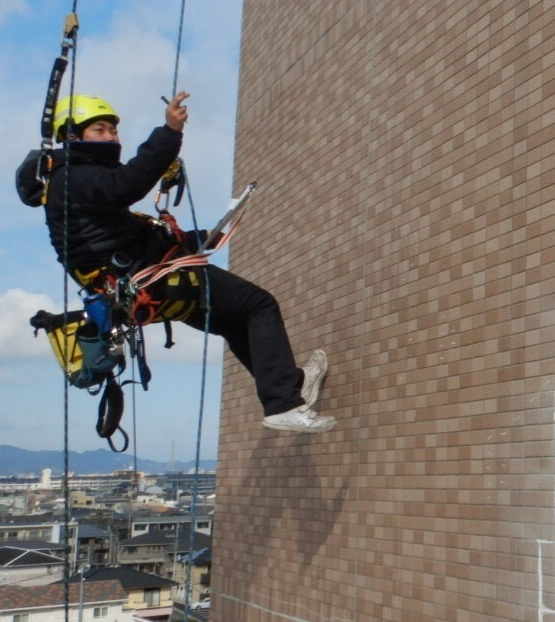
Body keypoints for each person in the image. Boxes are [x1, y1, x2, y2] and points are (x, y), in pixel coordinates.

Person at [43, 91, 336, 433]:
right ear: (72, 136)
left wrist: (195, 238)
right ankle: (283, 402)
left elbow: (123, 235)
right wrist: (169, 132)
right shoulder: (74, 178)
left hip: (145, 289)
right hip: (155, 283)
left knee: (235, 320)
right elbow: (127, 185)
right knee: (259, 305)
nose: (112, 137)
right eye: (101, 130)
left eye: (113, 130)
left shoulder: (70, 185)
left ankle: (288, 387)